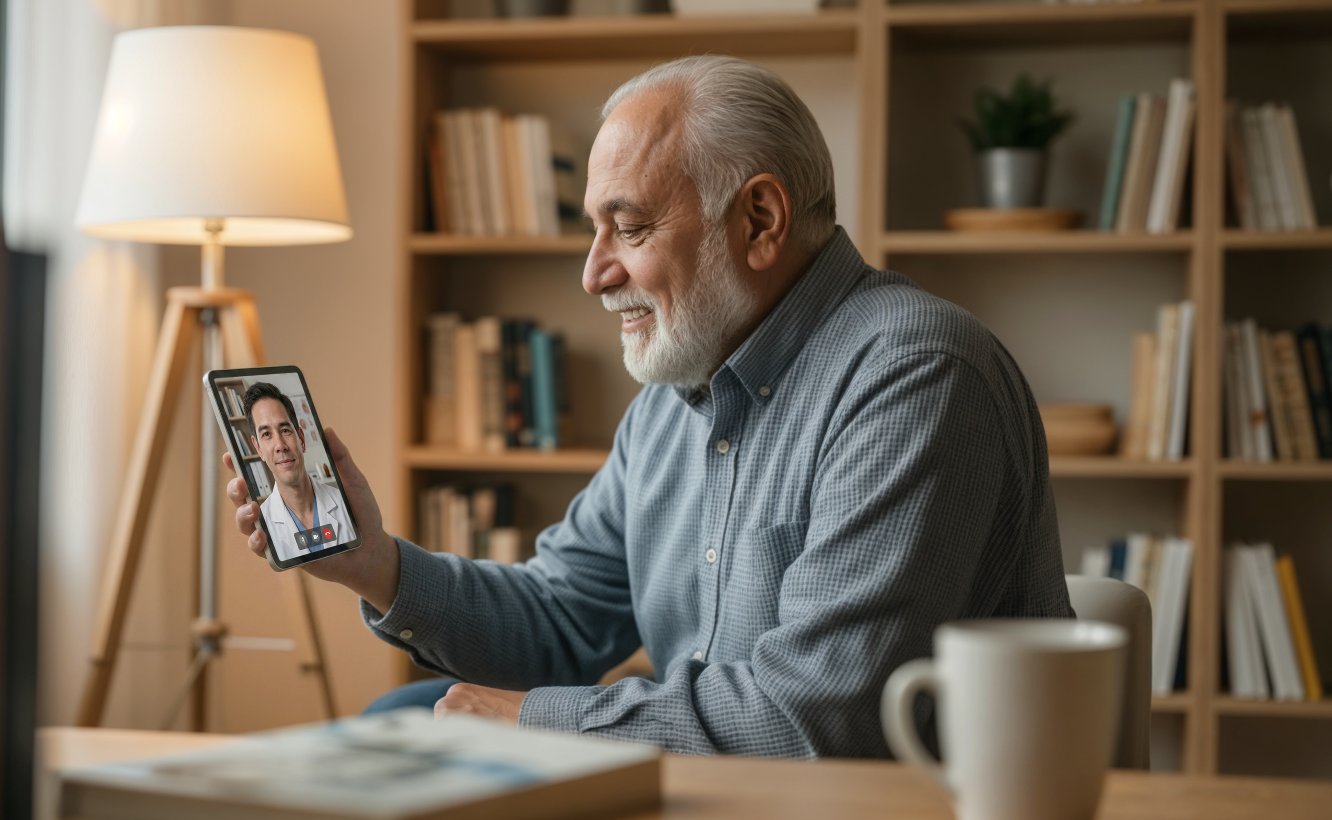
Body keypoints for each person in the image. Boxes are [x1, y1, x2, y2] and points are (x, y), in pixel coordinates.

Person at [224, 55, 1071, 758]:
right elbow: (560, 618)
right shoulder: (673, 395)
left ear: (761, 219)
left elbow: (813, 717)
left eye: (627, 229)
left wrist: (534, 719)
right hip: (721, 809)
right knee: (396, 723)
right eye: (593, 231)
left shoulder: (915, 375)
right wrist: (375, 564)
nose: (593, 274)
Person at [244, 382, 356, 561]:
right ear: (258, 449)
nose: (280, 445)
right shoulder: (261, 527)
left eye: (285, 430)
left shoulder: (346, 504)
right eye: (266, 434)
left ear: (301, 440)